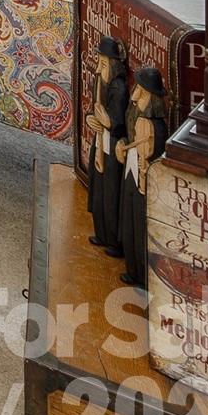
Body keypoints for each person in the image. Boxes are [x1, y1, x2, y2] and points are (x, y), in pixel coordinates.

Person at [118, 66, 167, 288]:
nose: (135, 92)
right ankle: (132, 268)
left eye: (140, 88)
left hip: (145, 177)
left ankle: (143, 275)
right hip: (131, 167)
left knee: (140, 226)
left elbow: (152, 151)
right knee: (128, 219)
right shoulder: (134, 113)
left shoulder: (156, 125)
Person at [87, 37, 128, 253]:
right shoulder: (100, 81)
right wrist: (90, 119)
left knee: (111, 191)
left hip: (111, 142)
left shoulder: (118, 87)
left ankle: (113, 239)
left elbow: (117, 120)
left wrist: (106, 121)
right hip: (100, 138)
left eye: (103, 62)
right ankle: (101, 232)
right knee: (99, 187)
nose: (100, 65)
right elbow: (94, 108)